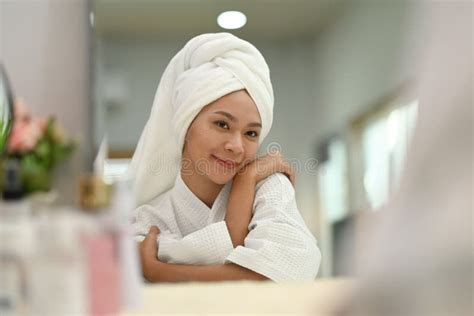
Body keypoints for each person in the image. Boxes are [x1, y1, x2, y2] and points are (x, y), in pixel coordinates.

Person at [128, 33, 321, 283]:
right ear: (186, 125)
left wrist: (159, 271)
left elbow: (290, 269)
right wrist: (238, 216)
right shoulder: (146, 220)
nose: (236, 146)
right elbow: (261, 276)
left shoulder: (269, 187)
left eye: (251, 133)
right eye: (222, 124)